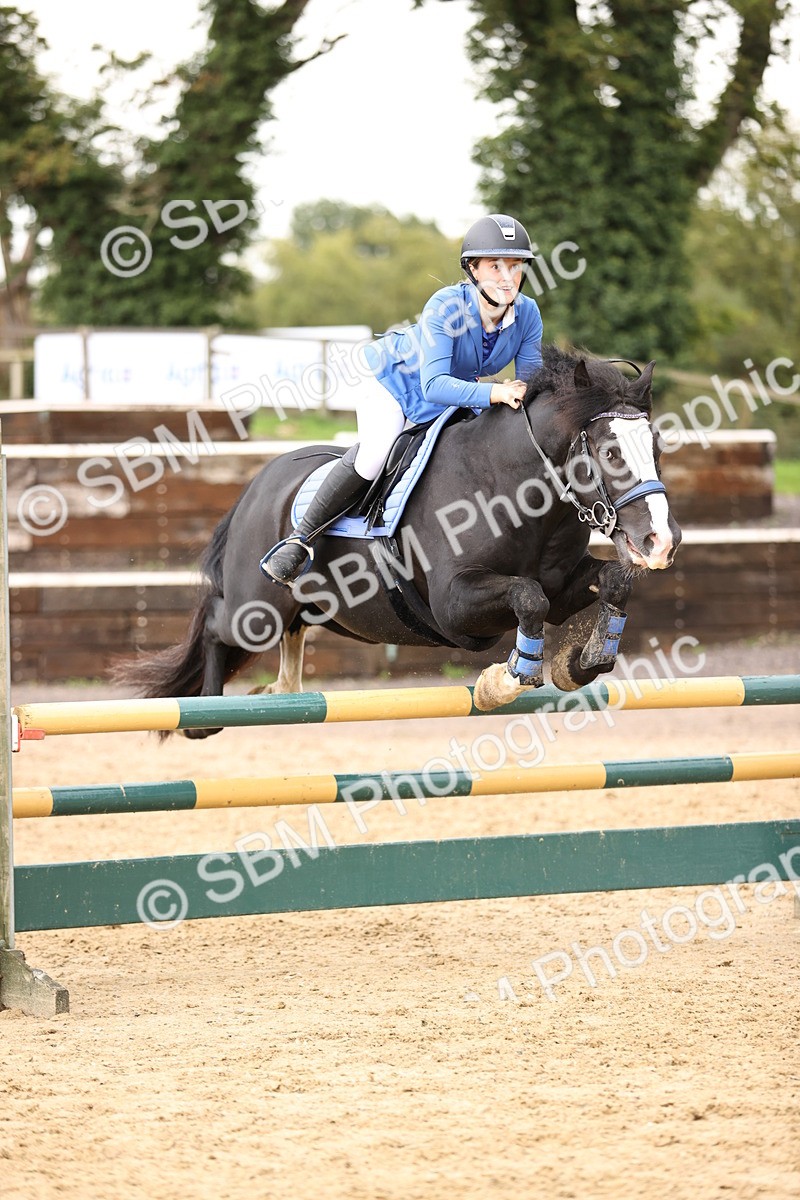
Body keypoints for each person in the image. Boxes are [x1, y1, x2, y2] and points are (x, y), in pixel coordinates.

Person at [260, 212, 544, 585]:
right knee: (375, 454)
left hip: (456, 392)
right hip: (394, 383)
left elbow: (532, 384)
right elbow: (434, 385)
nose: (508, 277)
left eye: (515, 266)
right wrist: (496, 391)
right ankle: (300, 540)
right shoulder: (446, 305)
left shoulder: (528, 314)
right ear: (473, 269)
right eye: (495, 266)